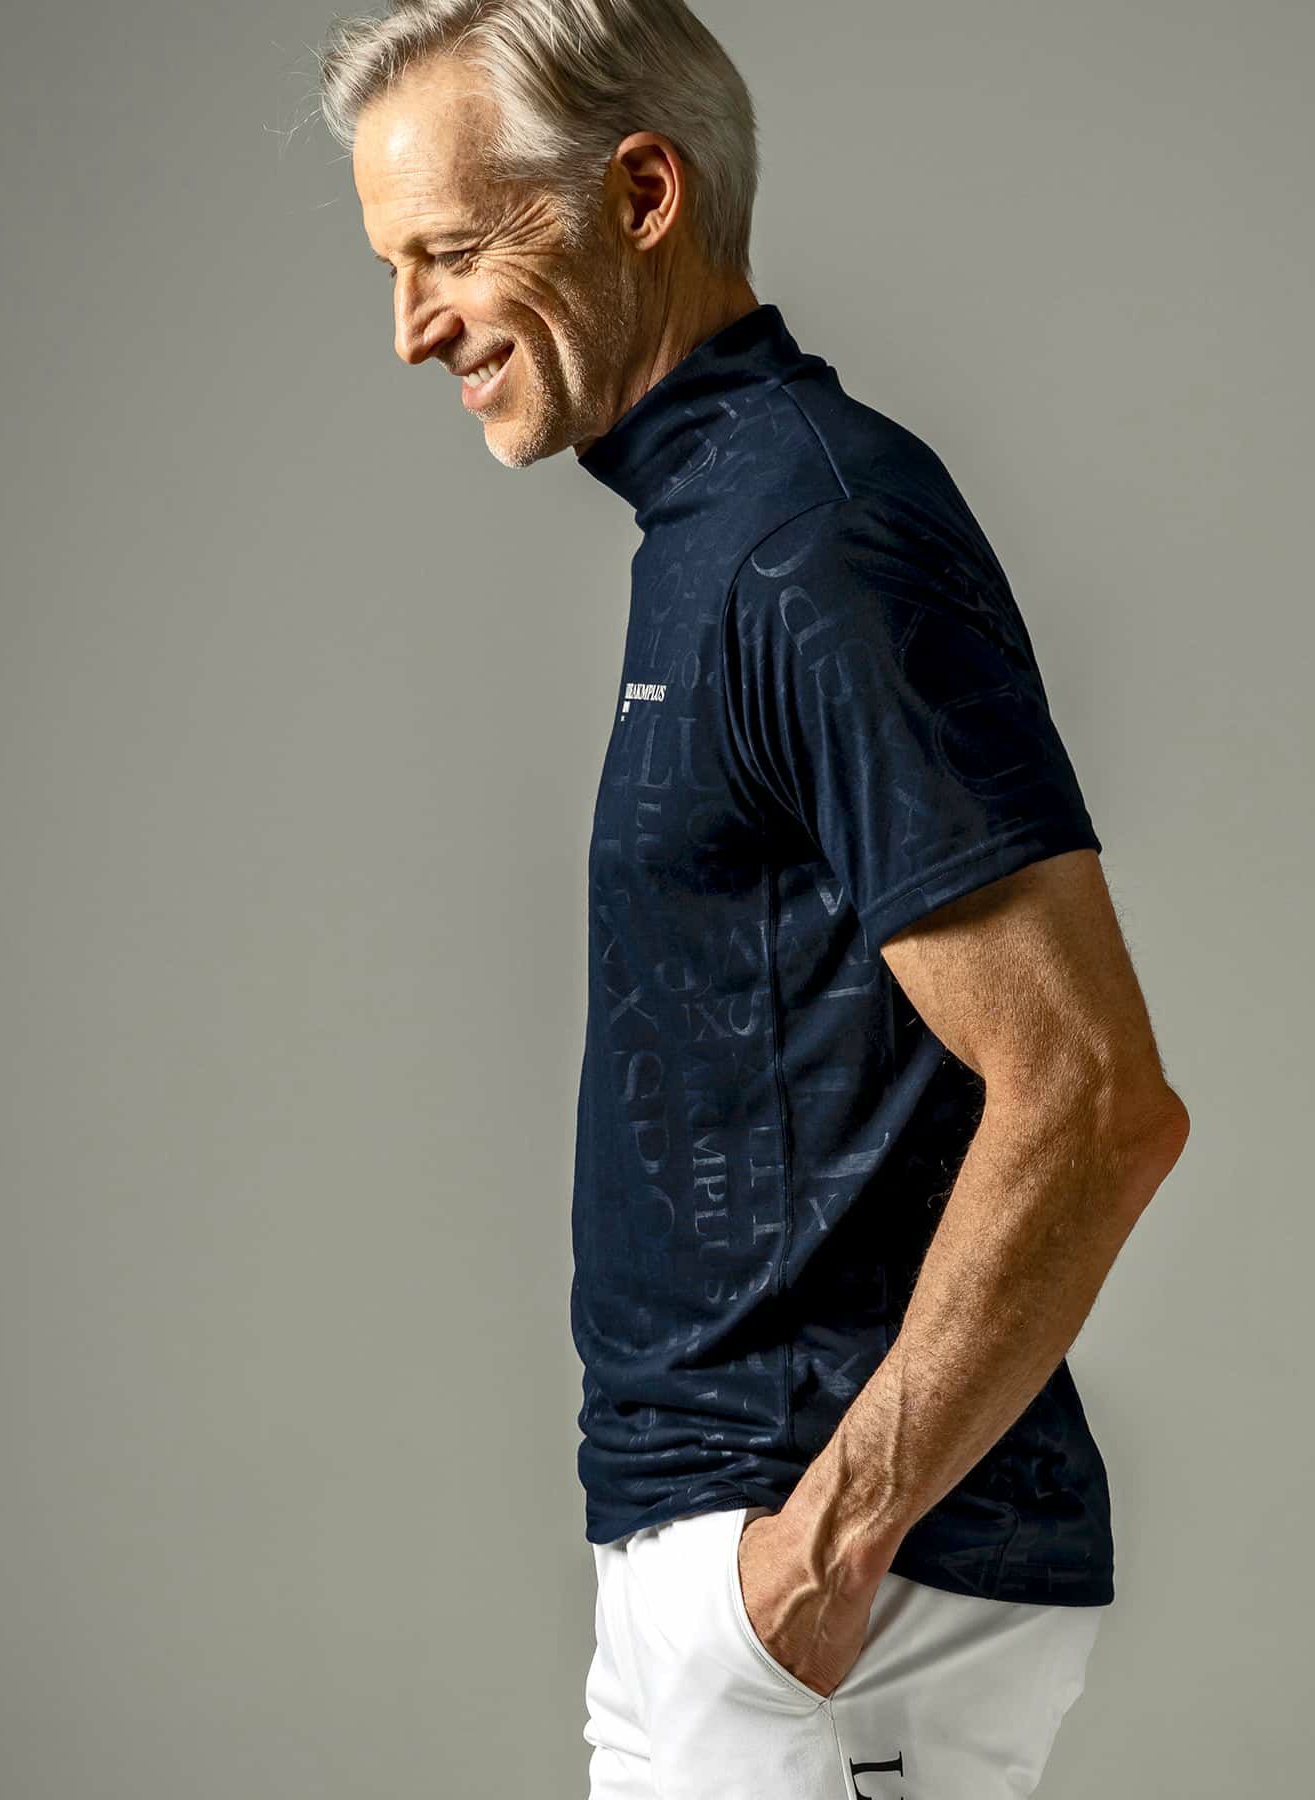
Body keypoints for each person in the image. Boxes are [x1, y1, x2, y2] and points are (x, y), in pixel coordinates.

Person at [319, 3, 1191, 1793]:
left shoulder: (814, 533)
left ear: (643, 194)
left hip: (823, 1597)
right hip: (723, 1578)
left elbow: (1095, 1097)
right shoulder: (718, 531)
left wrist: (819, 1557)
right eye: (393, 268)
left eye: (452, 252)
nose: (412, 328)